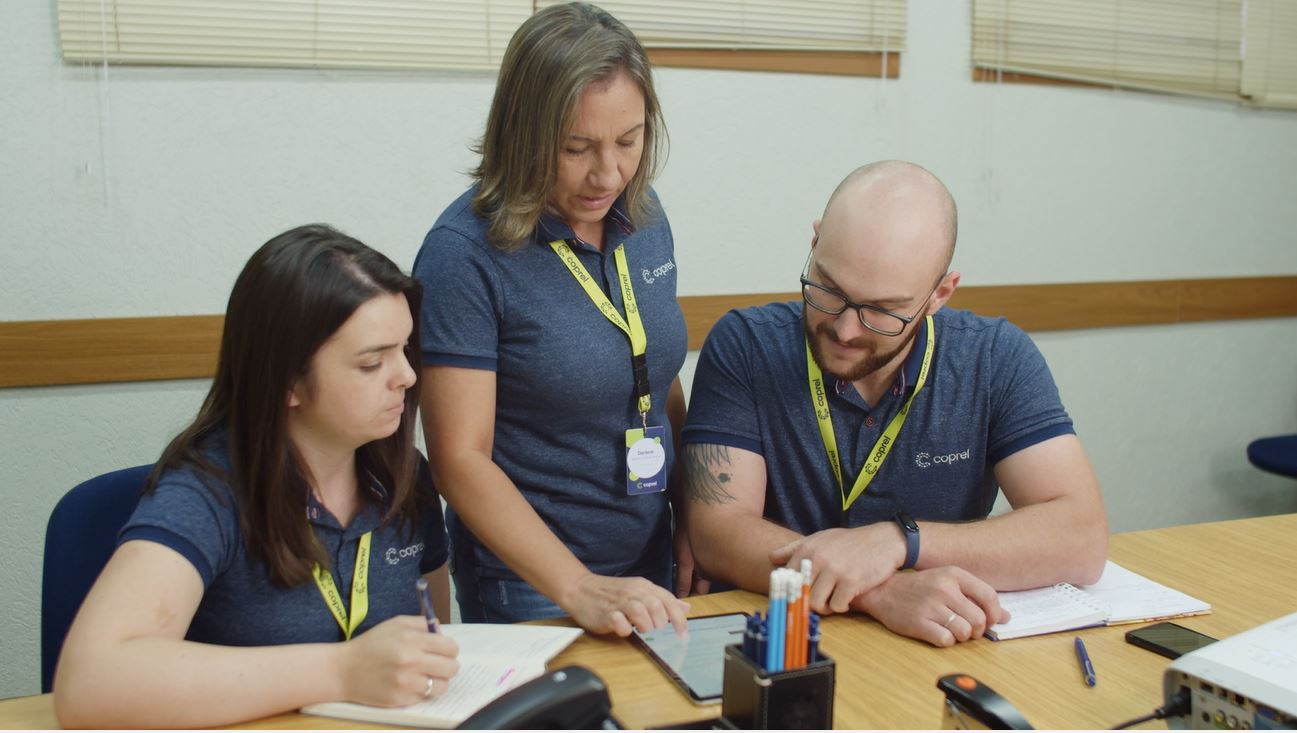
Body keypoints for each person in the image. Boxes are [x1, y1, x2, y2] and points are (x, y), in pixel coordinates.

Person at [681, 161, 1109, 647]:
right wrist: (881, 591)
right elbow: (718, 533)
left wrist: (895, 542)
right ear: (815, 243)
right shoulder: (746, 345)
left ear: (938, 294)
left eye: (882, 312)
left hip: (927, 652)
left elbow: (1081, 537)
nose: (845, 329)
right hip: (777, 639)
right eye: (828, 291)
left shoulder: (995, 359)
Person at [54, 225, 459, 727]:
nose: (407, 375)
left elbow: (429, 634)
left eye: (404, 349)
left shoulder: (401, 472)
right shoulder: (206, 492)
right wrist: (340, 670)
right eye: (372, 362)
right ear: (286, 381)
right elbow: (91, 685)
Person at [414, 2, 700, 637]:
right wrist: (579, 587)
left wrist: (695, 519)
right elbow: (459, 461)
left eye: (629, 141)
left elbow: (655, 371)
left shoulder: (644, 217)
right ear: (524, 135)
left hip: (648, 556)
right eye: (576, 148)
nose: (608, 173)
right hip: (534, 583)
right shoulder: (464, 254)